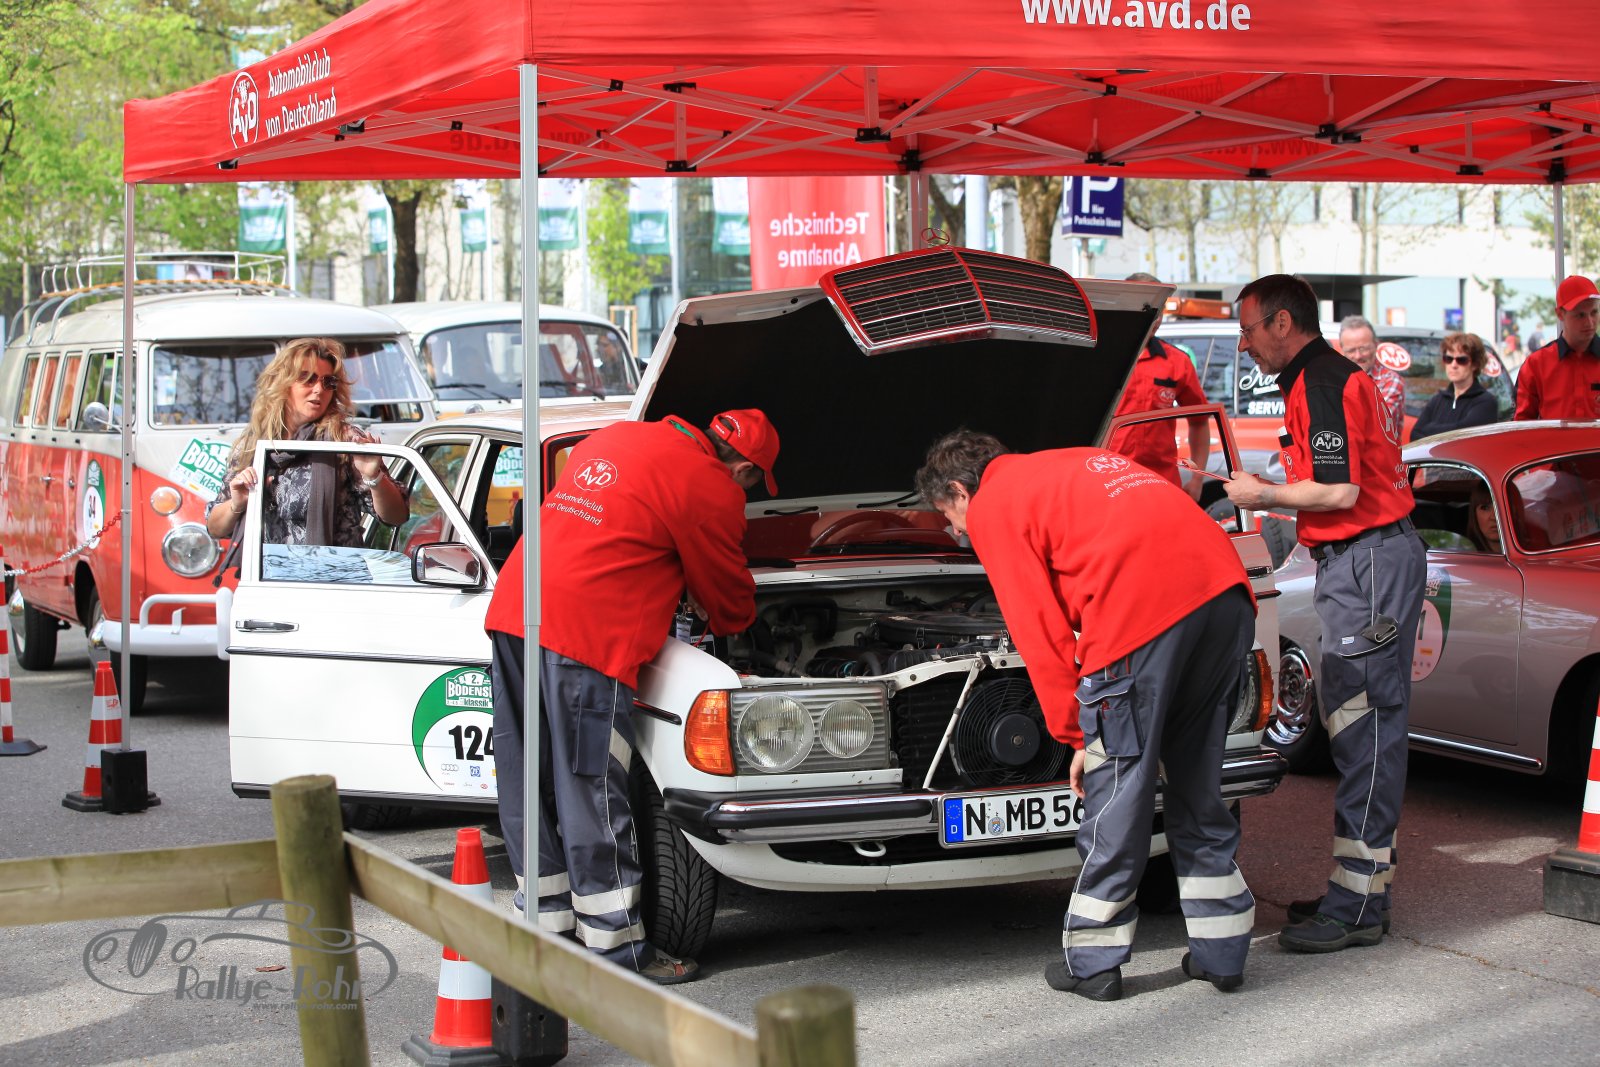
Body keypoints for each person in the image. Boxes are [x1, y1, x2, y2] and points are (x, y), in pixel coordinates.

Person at [916, 431, 1257, 1001]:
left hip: (1140, 617)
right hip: (1225, 596)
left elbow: (1040, 633)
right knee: (1197, 783)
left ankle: (1094, 963)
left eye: (949, 517)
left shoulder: (996, 505)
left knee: (1117, 791)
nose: (957, 532)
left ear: (959, 488)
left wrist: (1075, 736)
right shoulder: (1076, 462)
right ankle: (1222, 953)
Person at [487, 409, 779, 984]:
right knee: (591, 783)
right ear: (744, 469)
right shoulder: (710, 486)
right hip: (587, 631)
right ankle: (616, 950)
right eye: (752, 483)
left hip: (517, 609)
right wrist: (741, 621)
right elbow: (727, 595)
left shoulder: (621, 435)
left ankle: (545, 928)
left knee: (527, 776)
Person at [1223, 275, 1425, 954]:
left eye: (1248, 329)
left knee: (1364, 725)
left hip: (1367, 562)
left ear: (1283, 323)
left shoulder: (1322, 381)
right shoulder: (1320, 379)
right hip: (1362, 562)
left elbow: (1338, 490)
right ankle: (1360, 891)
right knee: (1357, 723)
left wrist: (1263, 493)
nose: (1243, 344)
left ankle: (1358, 905)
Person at [205, 337, 408, 544]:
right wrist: (237, 504)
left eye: (328, 382)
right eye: (308, 379)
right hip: (264, 565)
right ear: (283, 382)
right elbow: (214, 529)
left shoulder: (344, 439)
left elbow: (397, 516)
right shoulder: (253, 443)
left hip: (332, 564)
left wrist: (374, 477)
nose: (319, 389)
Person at [1107, 273, 1211, 498]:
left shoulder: (1177, 362)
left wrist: (1197, 479)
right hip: (1109, 481)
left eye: (1159, 310)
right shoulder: (1100, 360)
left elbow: (1200, 421)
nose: (1155, 319)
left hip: (1161, 483)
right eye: (1147, 309)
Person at [1514, 275, 1600, 421]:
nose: (1590, 323)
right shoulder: (1536, 364)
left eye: (1594, 313)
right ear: (1560, 314)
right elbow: (1521, 424)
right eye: (1580, 315)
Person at [1410, 332, 1498, 441]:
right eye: (1448, 358)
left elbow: (1462, 436)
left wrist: (1430, 428)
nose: (1453, 365)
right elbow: (1415, 435)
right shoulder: (1438, 399)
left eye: (1461, 360)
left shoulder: (1486, 402)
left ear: (1475, 364)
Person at [1338, 315, 1406, 432]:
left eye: (1363, 348)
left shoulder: (1390, 381)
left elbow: (1378, 424)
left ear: (1376, 345)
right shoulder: (1332, 379)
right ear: (1342, 350)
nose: (1358, 356)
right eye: (1351, 350)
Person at [1467, 483, 1501, 553]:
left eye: (1501, 507)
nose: (1494, 517)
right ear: (1474, 515)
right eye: (1485, 508)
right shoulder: (1465, 556)